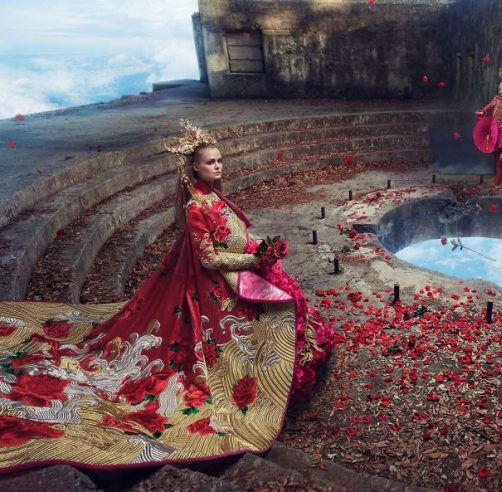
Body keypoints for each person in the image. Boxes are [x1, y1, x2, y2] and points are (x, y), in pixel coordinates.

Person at [0, 120, 332, 471]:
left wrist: (260, 249)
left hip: (237, 270)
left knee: (281, 302)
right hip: (214, 282)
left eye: (220, 161)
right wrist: (255, 258)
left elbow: (232, 235)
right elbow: (208, 257)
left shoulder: (217, 196)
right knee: (259, 322)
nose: (217, 167)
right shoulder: (196, 207)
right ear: (194, 167)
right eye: (210, 162)